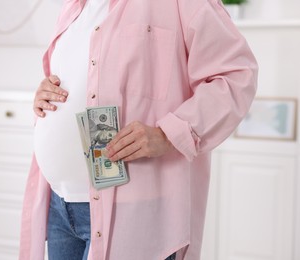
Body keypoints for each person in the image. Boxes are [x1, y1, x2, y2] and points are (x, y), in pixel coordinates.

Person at [19, 0, 258, 259]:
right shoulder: (73, 6)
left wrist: (168, 134)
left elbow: (236, 76)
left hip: (132, 213)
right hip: (59, 206)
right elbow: (82, 79)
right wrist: (45, 93)